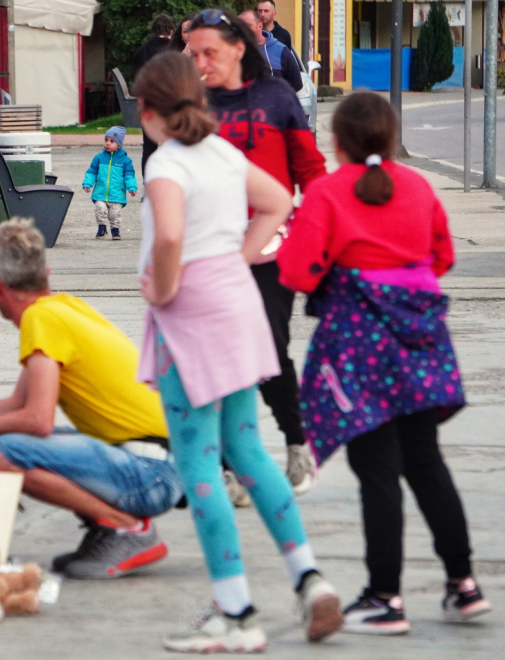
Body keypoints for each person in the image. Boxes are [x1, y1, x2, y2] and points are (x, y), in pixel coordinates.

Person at [132, 51, 342, 653]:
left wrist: (166, 287)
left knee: (198, 462)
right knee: (247, 447)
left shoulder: (167, 164)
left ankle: (236, 609)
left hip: (189, 318)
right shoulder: (223, 151)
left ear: (147, 112)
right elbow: (278, 203)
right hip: (236, 304)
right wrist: (241, 255)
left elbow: (169, 234)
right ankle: (309, 576)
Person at [277, 92, 492, 635]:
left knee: (377, 470)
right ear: (392, 137)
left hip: (359, 348)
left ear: (339, 142)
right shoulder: (419, 187)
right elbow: (443, 257)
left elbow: (297, 273)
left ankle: (385, 597)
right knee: (425, 461)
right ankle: (463, 585)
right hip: (422, 341)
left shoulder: (327, 192)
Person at [0, 219, 183, 581]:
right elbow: (16, 403)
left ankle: (127, 529)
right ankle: (110, 527)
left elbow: (37, 419)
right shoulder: (60, 307)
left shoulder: (40, 319)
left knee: (3, 451)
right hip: (160, 463)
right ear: (45, 272)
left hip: (150, 474)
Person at [187, 9, 326, 500]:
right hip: (210, 250)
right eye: (193, 52)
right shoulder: (193, 104)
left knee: (267, 351)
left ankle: (296, 443)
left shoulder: (276, 97)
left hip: (272, 249)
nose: (200, 61)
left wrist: (321, 234)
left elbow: (310, 169)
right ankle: (229, 464)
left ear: (238, 49)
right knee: (217, 358)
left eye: (210, 52)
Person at [134, 13, 176, 172]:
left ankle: (148, 184)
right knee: (172, 144)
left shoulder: (142, 51)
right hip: (170, 102)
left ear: (153, 30)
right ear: (171, 30)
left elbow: (136, 78)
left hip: (149, 103)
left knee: (149, 146)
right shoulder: (175, 50)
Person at [82, 126, 138, 240]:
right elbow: (92, 172)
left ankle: (115, 230)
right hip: (100, 192)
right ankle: (101, 228)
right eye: (106, 140)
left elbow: (129, 176)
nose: (108, 143)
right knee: (100, 209)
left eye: (112, 141)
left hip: (117, 194)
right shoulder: (99, 158)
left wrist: (132, 187)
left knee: (114, 214)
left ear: (119, 144)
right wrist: (87, 183)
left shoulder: (126, 161)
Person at [240, 9, 302, 91]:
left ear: (260, 26)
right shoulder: (234, 50)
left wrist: (278, 98)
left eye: (247, 26)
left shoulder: (280, 50)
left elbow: (296, 83)